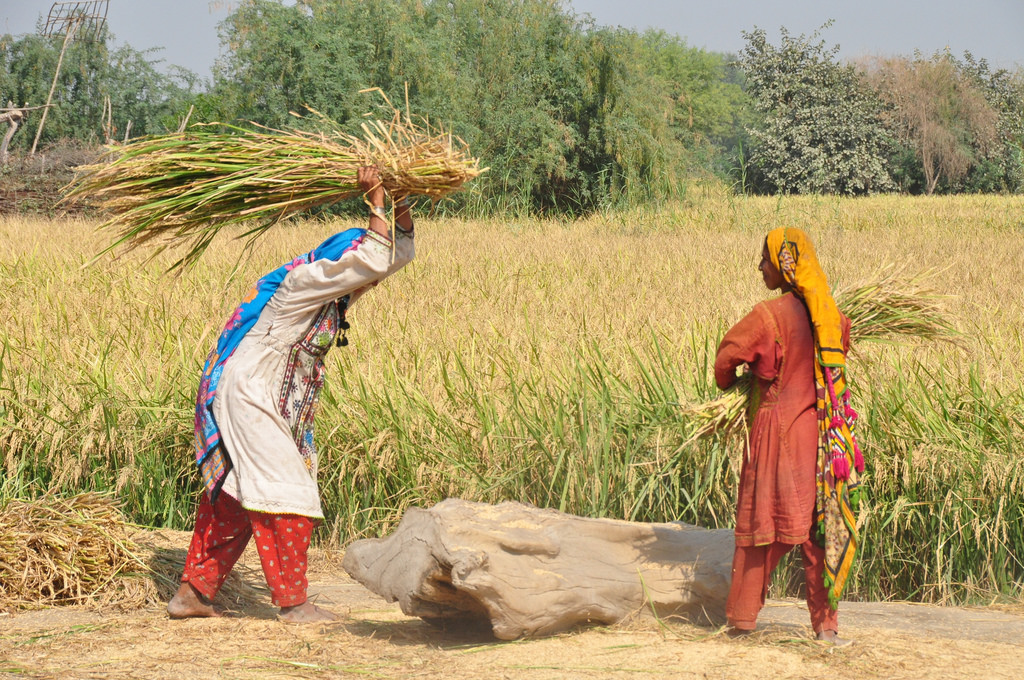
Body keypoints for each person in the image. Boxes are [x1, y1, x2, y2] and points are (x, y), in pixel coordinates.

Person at [168, 167, 415, 623]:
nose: (369, 285)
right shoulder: (304, 281)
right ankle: (294, 604)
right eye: (358, 273)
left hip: (271, 395)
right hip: (248, 391)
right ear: (340, 263)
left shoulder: (332, 294)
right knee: (286, 487)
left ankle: (192, 595)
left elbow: (392, 257)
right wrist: (376, 197)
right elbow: (375, 259)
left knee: (235, 493)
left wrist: (402, 203)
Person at [713, 227, 862, 645]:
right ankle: (826, 629)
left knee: (764, 528)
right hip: (825, 443)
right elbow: (838, 351)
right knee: (820, 532)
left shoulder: (769, 315)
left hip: (778, 436)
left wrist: (736, 382)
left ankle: (741, 623)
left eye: (765, 258)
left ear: (783, 263)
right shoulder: (829, 315)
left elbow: (726, 356)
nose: (760, 266)